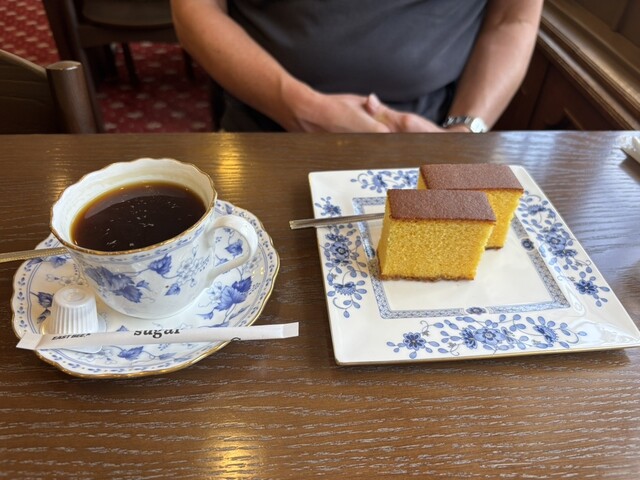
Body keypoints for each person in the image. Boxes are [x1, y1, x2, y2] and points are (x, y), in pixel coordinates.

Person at [171, 0, 543, 133]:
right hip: (263, 127)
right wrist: (294, 105)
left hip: (433, 133)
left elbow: (512, 19)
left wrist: (463, 132)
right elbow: (196, 7)